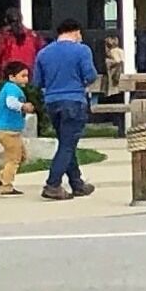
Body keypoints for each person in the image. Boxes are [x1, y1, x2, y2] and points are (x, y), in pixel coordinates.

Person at [31, 18, 99, 199]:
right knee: (68, 145)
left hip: (52, 102)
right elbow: (90, 75)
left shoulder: (43, 53)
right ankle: (52, 184)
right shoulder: (82, 50)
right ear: (75, 31)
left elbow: (37, 82)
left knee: (65, 143)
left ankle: (77, 183)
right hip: (74, 100)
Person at [0, 61, 31, 196]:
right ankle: (7, 185)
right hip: (8, 130)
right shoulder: (11, 88)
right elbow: (10, 103)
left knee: (22, 156)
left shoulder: (10, 88)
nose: (26, 79)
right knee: (14, 159)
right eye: (23, 76)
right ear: (12, 77)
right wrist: (23, 107)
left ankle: (1, 178)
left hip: (11, 130)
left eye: (27, 76)